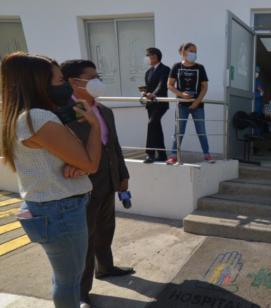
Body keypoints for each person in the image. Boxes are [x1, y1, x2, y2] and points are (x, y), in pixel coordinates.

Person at [1, 52, 102, 308]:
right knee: (69, 280)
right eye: (59, 81)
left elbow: (65, 156)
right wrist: (95, 126)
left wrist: (75, 163)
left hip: (48, 205)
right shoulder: (38, 118)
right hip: (61, 208)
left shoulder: (20, 115)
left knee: (64, 276)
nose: (66, 85)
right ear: (38, 84)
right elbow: (91, 162)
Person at [60, 59, 134, 307]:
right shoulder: (63, 112)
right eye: (91, 77)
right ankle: (81, 292)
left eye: (97, 76)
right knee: (86, 238)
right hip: (82, 184)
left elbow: (114, 146)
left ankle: (106, 267)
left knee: (105, 228)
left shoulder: (104, 111)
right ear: (73, 81)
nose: (97, 82)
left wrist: (123, 175)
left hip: (108, 180)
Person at [166, 42, 212, 164]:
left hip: (198, 105)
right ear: (184, 52)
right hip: (181, 105)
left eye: (195, 51)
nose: (194, 53)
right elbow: (169, 85)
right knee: (178, 131)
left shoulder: (200, 68)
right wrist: (181, 95)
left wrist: (196, 103)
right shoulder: (176, 67)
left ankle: (207, 154)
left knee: (201, 131)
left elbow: (204, 87)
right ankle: (173, 155)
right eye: (191, 51)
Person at [142, 47, 170, 163]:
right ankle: (162, 154)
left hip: (160, 103)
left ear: (155, 57)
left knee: (152, 123)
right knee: (156, 127)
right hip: (150, 104)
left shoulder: (165, 69)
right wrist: (144, 93)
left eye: (149, 56)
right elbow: (147, 87)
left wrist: (153, 94)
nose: (148, 58)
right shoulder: (148, 72)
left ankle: (150, 153)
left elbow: (162, 85)